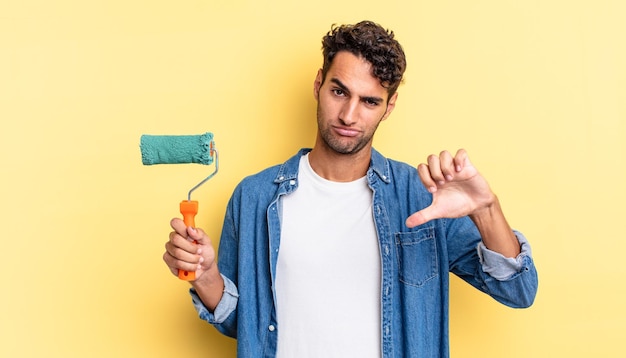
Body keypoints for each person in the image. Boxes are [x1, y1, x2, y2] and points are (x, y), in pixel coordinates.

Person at [163, 20, 538, 358]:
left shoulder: (422, 196)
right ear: (318, 84)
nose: (348, 115)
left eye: (370, 101)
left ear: (389, 108)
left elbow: (519, 292)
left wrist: (486, 210)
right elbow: (244, 327)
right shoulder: (255, 197)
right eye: (339, 92)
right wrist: (206, 276)